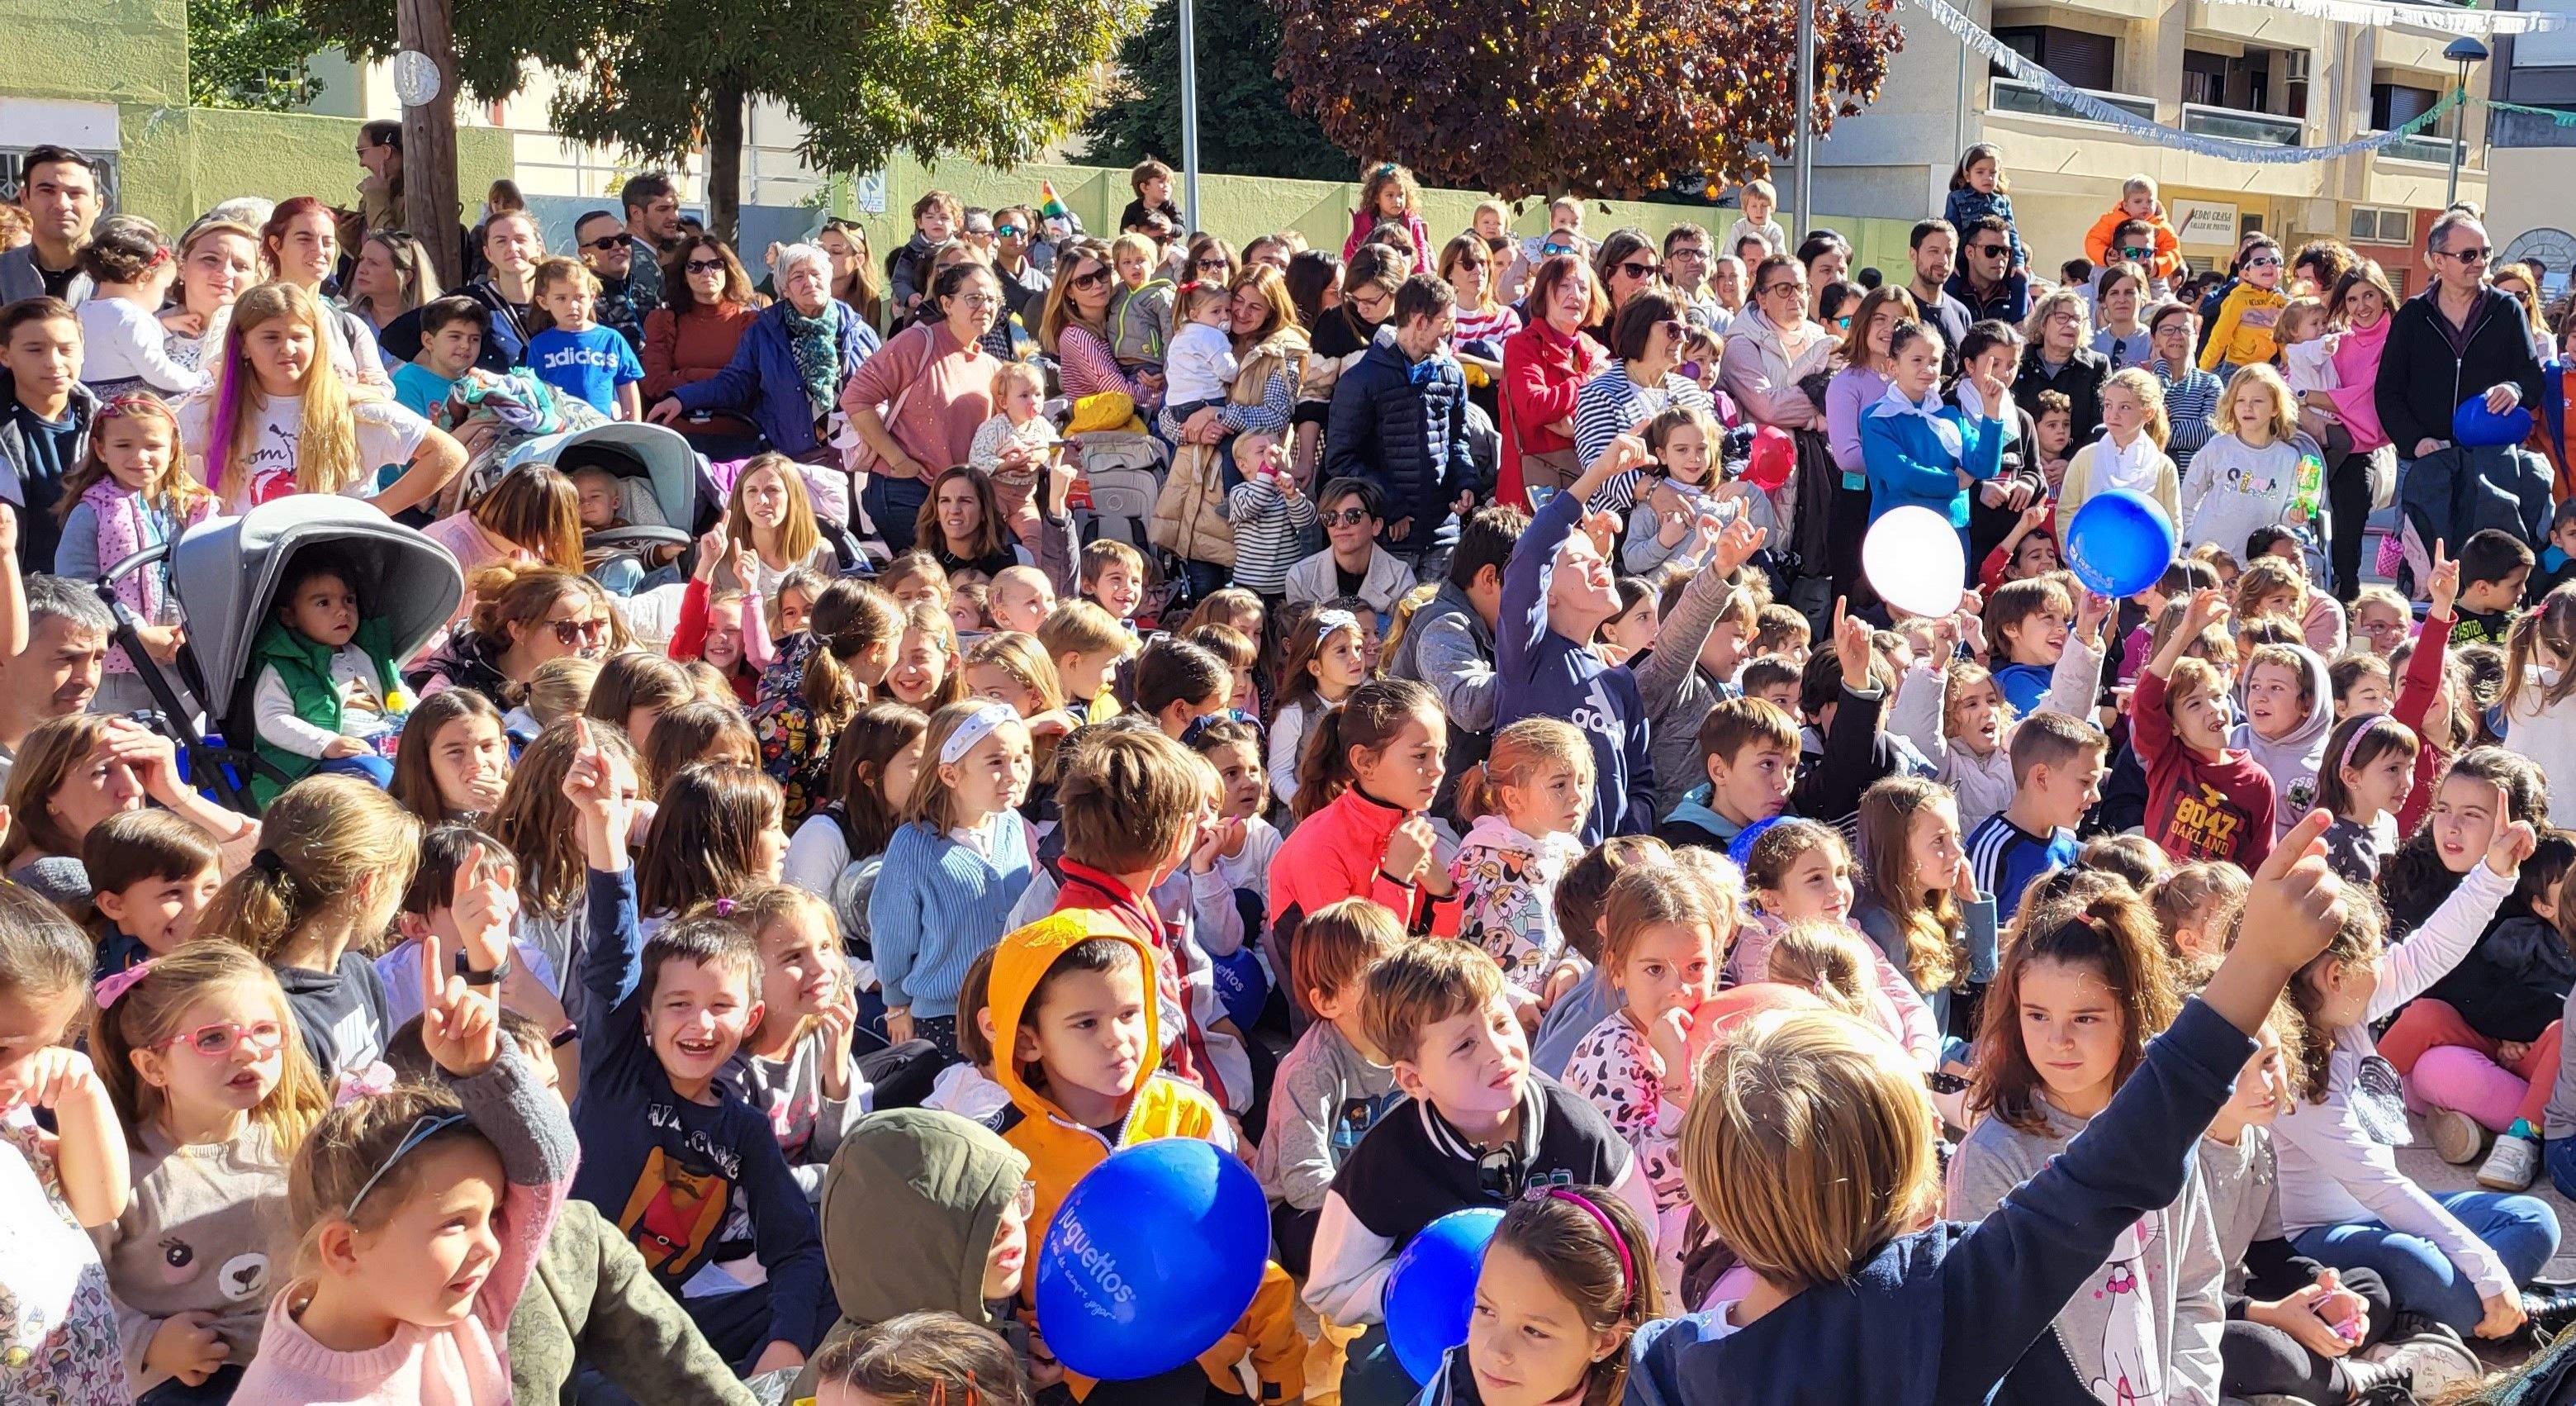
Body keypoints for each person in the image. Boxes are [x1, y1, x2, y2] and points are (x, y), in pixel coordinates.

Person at [563, 725, 826, 1375]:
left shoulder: (740, 1129)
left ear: (751, 1018)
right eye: (679, 1005)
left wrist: (785, 1344)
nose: (700, 1024)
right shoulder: (619, 1073)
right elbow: (613, 952)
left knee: (833, 1300)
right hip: (568, 1311)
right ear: (646, 1018)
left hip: (656, 1324)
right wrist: (604, 830)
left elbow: (796, 1245)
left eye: (721, 1008)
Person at [1304, 939, 1651, 1405]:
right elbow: (1330, 1285)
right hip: (1440, 1345)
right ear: (1412, 1079)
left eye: (1502, 1023)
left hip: (1558, 1345)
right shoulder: (1386, 1160)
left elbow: (1640, 1234)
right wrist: (1417, 1282)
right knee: (1372, 1378)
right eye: (1465, 1044)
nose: (1497, 1051)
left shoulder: (1575, 1128)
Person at [0, 882, 139, 1406]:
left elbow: (100, 1202)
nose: (24, 1074)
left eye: (47, 1044)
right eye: (3, 1048)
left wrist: (82, 1095)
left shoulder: (12, 1120)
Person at [178, 283, 465, 516]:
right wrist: (191, 499)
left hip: (335, 564)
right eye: (270, 337)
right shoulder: (211, 409)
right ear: (243, 346)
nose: (287, 348)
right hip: (248, 564)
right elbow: (153, 453)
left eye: (299, 337)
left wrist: (377, 510)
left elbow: (448, 454)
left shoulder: (355, 408)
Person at [1497, 437, 1656, 843]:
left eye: (1599, 559)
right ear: (1548, 593)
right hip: (1536, 873)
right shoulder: (1527, 655)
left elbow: (1640, 782)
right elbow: (1531, 557)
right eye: (1578, 561)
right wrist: (1598, 474)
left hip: (1606, 877)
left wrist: (1626, 848)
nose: (1599, 566)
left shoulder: (1619, 677)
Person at [1254, 898, 1406, 1274]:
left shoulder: (1412, 1046)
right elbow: (1303, 1182)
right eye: (1377, 975)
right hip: (1299, 1212)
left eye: (1399, 969)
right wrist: (1386, 1205)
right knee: (1347, 1244)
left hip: (1377, 1197)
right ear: (1327, 1000)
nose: (1396, 986)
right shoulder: (1311, 1069)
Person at [648, 241, 880, 470]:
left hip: (855, 461)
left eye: (816, 274)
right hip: (791, 462)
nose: (809, 282)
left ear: (828, 279)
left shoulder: (858, 331)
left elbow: (883, 391)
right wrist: (682, 398)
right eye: (798, 277)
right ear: (784, 289)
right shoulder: (765, 331)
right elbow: (734, 383)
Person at [833, 261, 1005, 553]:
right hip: (906, 491)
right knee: (926, 583)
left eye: (992, 299)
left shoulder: (990, 366)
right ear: (947, 304)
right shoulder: (917, 342)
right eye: (974, 298)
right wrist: (898, 460)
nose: (985, 307)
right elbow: (855, 399)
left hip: (957, 500)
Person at [1324, 274, 1478, 582]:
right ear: (1420, 321)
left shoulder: (1451, 373)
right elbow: (1340, 459)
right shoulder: (1361, 380)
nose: (1450, 334)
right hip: (1390, 537)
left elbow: (1458, 441)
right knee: (1394, 627)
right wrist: (1388, 503)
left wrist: (1466, 482)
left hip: (1442, 533)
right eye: (1445, 324)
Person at [2376, 211, 2547, 473]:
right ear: (2439, 261)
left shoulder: (2507, 310)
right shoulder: (2413, 315)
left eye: (2485, 252)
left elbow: (2532, 379)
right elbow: (2388, 391)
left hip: (2489, 463)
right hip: (2424, 464)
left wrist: (2515, 389)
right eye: (2468, 255)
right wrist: (2416, 441)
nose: (2479, 262)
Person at [249, 549, 407, 799]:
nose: (342, 611)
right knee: (379, 777)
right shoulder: (284, 667)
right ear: (289, 616)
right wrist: (326, 743)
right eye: (324, 603)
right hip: (319, 764)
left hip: (386, 742)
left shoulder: (367, 652)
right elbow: (272, 721)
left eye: (349, 600)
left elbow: (400, 691)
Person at [2137, 589, 2278, 867]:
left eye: (2216, 697)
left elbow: (2259, 863)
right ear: (2174, 726)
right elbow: (2146, 697)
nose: (2213, 709)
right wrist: (2185, 633)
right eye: (2194, 705)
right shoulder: (2169, 760)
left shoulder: (2257, 782)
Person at [1964, 710, 2109, 929]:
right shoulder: (1992, 849)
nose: (2096, 796)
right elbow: (1974, 939)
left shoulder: (2068, 849)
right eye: (2085, 782)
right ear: (2041, 777)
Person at [1572, 287, 1719, 477]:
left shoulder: (1690, 390)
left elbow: (1714, 451)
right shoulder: (1598, 394)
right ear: (1639, 330)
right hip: (1625, 506)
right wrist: (1650, 490)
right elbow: (1596, 469)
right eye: (1673, 330)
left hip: (1691, 501)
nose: (1682, 339)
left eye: (1686, 331)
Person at [1500, 254, 1609, 507]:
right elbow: (1534, 406)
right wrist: (1585, 381)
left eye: (1583, 288)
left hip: (1586, 490)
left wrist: (1572, 421)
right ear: (1544, 292)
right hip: (1530, 492)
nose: (1576, 295)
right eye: (1564, 286)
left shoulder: (1594, 350)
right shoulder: (1523, 345)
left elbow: (1604, 419)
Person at [639, 235, 761, 457]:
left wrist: (685, 374)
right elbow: (654, 382)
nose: (707, 272)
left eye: (715, 264)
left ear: (728, 270)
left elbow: (748, 384)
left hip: (739, 435)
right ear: (684, 276)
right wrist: (722, 377)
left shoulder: (750, 321)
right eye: (695, 266)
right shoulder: (665, 320)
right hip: (678, 438)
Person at [381, 210, 546, 374]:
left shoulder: (563, 297)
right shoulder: (470, 301)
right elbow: (396, 336)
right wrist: (445, 368)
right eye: (501, 241)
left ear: (538, 248)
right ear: (488, 253)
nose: (512, 247)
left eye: (520, 239)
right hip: (493, 399)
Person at [0, 297, 96, 569]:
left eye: (66, 350)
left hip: (90, 595)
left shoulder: (108, 423)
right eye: (35, 350)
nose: (53, 363)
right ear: (5, 355)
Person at [73, 216, 202, 399]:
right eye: (164, 287)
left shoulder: (84, 309)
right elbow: (158, 370)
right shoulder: (132, 318)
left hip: (95, 404)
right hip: (131, 409)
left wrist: (162, 326)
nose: (164, 296)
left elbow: (116, 344)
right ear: (144, 279)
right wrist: (200, 379)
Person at [525, 258, 644, 420]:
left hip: (604, 431)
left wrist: (634, 428)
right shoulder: (540, 345)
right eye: (561, 298)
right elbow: (536, 391)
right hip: (561, 433)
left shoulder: (611, 339)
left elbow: (628, 385)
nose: (572, 305)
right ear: (544, 302)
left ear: (592, 298)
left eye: (580, 297)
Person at [158, 216, 260, 379]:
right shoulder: (143, 327)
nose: (226, 273)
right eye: (211, 259)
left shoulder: (261, 338)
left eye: (240, 266)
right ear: (182, 268)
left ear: (256, 279)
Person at [0, 145, 100, 305]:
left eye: (75, 193)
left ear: (99, 205)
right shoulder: (4, 277)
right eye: (47, 191)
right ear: (25, 198)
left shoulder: (127, 277)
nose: (62, 204)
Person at [2014, 287, 2109, 442]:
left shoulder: (2097, 366)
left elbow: (2100, 423)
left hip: (2079, 462)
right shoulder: (2020, 361)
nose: (2072, 324)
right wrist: (2033, 458)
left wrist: (2072, 461)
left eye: (2078, 319)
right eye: (2062, 317)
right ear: (2043, 323)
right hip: (2026, 460)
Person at [2147, 302, 2224, 473]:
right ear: (2153, 338)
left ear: (2196, 338)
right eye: (2167, 330)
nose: (2176, 336)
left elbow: (2209, 432)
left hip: (2193, 484)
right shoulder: (2138, 378)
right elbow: (2136, 429)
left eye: (2184, 330)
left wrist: (2158, 431)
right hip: (2148, 481)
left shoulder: (2210, 383)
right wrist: (2161, 372)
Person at [343, 230, 439, 340]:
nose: (362, 269)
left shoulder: (433, 328)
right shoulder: (346, 320)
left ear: (406, 276)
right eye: (361, 259)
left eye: (374, 263)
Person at [572, 210, 648, 350]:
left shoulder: (646, 288)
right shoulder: (581, 301)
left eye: (623, 239)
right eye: (605, 243)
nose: (618, 247)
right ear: (584, 253)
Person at [1947, 214, 2030, 325]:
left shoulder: (2020, 299)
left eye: (2006, 251)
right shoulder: (1948, 293)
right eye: (1991, 250)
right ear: (1970, 252)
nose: (2001, 257)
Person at [619, 170, 684, 312]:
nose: (674, 217)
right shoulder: (638, 261)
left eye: (675, 208)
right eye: (663, 209)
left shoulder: (621, 252)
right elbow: (646, 327)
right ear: (636, 213)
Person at [1904, 218, 1972, 351]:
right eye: (1934, 251)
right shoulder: (1899, 308)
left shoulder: (1961, 314)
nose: (1943, 260)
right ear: (1913, 255)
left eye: (1949, 252)